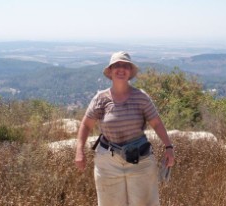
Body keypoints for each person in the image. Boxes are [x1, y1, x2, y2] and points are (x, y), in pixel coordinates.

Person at [74, 51, 175, 206]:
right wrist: (79, 150)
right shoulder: (101, 98)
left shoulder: (141, 97)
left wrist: (169, 147)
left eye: (125, 66)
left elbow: (156, 123)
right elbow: (86, 124)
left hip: (140, 159)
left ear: (130, 72)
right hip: (108, 162)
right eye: (117, 66)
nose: (121, 69)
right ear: (110, 71)